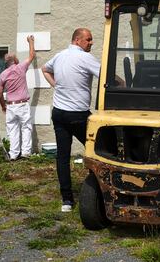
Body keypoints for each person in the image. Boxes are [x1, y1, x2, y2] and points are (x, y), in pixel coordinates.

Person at [41, 28, 100, 212]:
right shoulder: (85, 58)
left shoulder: (60, 56)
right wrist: (124, 85)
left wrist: (56, 86)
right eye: (88, 40)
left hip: (59, 114)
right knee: (99, 149)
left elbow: (44, 69)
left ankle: (67, 201)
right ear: (77, 40)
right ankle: (100, 190)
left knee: (63, 157)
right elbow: (106, 76)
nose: (91, 43)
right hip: (78, 116)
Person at [0, 34, 36, 160]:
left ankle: (13, 154)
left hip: (11, 105)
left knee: (13, 129)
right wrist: (30, 42)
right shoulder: (20, 67)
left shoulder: (3, 74)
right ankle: (25, 153)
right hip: (22, 104)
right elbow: (31, 56)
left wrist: (3, 106)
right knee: (26, 127)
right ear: (15, 61)